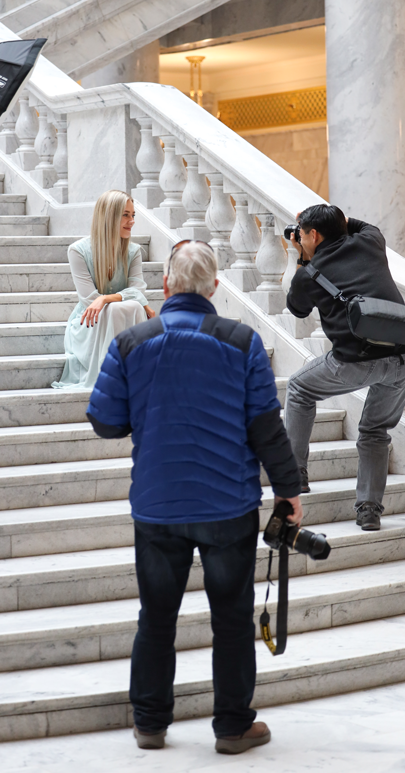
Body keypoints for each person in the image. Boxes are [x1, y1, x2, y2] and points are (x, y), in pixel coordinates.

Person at [87, 240, 302, 755]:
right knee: (231, 617)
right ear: (215, 288)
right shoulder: (242, 341)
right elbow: (266, 428)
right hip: (227, 507)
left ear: (166, 286)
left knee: (155, 617)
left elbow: (105, 421)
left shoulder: (132, 342)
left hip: (158, 506)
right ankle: (232, 726)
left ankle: (150, 724)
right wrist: (288, 492)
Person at [285, 204, 405, 531]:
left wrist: (302, 258)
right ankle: (369, 510)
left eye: (302, 233)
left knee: (300, 388)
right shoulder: (372, 240)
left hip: (355, 361)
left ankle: (295, 475)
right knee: (375, 431)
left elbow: (296, 309)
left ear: (313, 235)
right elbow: (351, 223)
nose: (299, 238)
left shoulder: (309, 274)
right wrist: (321, 223)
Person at [52, 190, 155, 390]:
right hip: (89, 323)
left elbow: (138, 290)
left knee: (129, 306)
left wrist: (106, 298)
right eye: (125, 215)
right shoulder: (78, 251)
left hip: (123, 315)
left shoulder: (133, 252)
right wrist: (106, 301)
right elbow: (89, 299)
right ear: (109, 215)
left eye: (133, 215)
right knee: (128, 307)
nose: (131, 221)